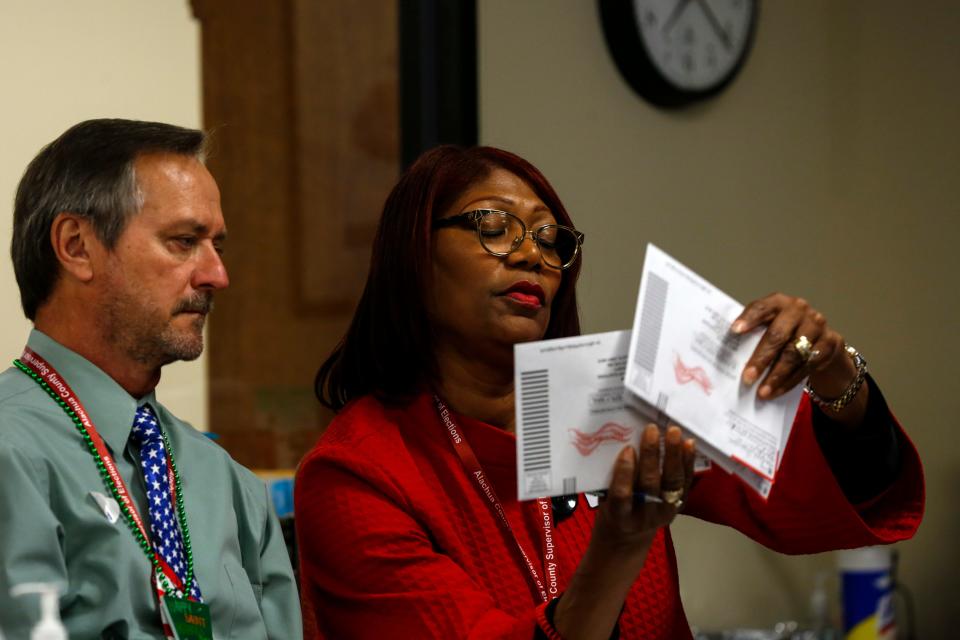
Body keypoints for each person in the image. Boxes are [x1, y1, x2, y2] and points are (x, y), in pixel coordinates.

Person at [294, 145, 924, 639]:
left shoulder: (612, 396)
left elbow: (821, 495)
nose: (531, 256)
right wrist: (618, 546)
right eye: (494, 225)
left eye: (548, 240)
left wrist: (836, 374)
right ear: (413, 252)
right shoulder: (356, 473)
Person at [0, 119, 302, 639]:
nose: (216, 275)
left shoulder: (229, 485)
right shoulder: (11, 452)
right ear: (76, 246)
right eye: (184, 241)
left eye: (217, 246)